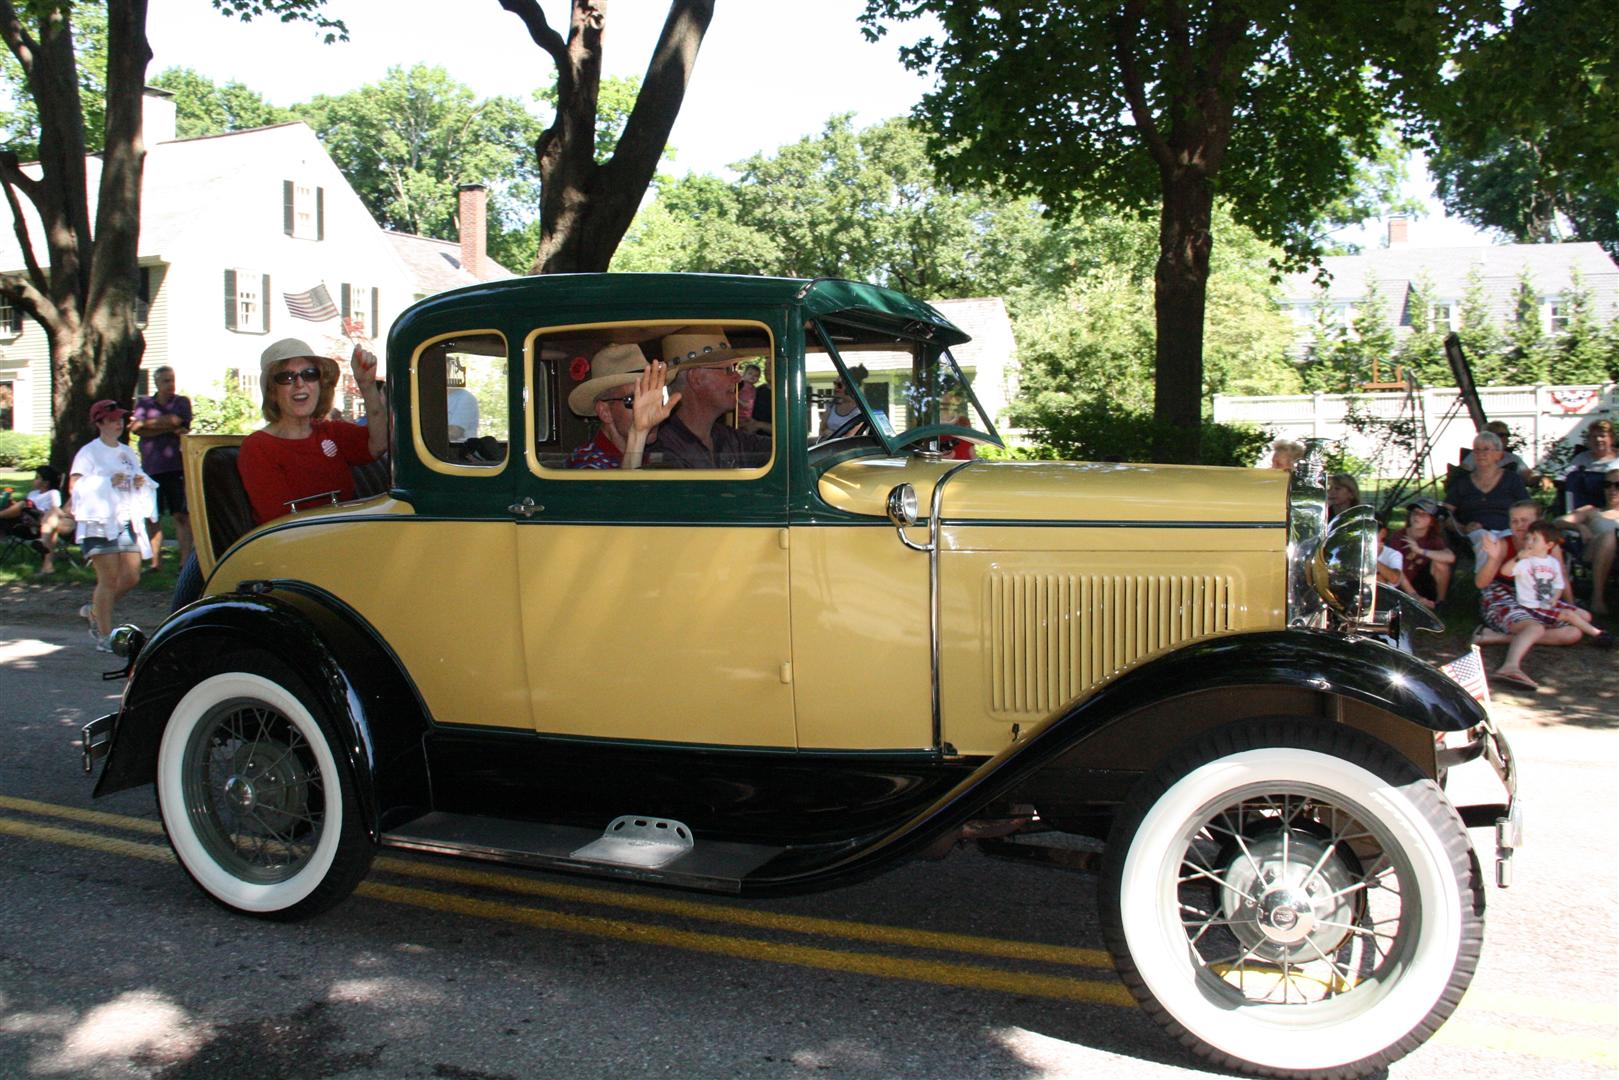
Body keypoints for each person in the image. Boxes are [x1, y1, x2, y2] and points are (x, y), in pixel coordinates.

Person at [237, 338, 388, 526]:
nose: (300, 383)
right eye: (286, 377)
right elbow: (280, 523)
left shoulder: (331, 432)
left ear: (320, 385)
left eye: (309, 374)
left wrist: (367, 385)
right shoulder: (258, 447)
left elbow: (379, 443)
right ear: (272, 392)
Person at [70, 400, 157, 651]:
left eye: (120, 419)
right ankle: (104, 635)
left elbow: (136, 475)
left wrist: (140, 481)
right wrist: (105, 481)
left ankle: (96, 610)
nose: (119, 423)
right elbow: (75, 486)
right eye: (112, 419)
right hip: (100, 521)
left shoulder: (126, 451)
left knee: (131, 576)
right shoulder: (89, 452)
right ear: (99, 422)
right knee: (107, 580)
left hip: (126, 518)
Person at [1471, 500, 1582, 689]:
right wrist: (1493, 558)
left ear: (1539, 521)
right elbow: (1481, 583)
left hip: (1535, 596)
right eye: (1514, 521)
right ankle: (1510, 667)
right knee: (1535, 628)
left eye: (1525, 520)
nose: (1520, 526)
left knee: (1574, 631)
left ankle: (1494, 637)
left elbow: (1560, 574)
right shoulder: (1504, 544)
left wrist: (1571, 604)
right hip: (1503, 593)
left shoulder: (1548, 545)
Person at [655, 331, 772, 469]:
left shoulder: (728, 437)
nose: (738, 378)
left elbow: (787, 449)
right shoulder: (661, 448)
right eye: (729, 369)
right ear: (696, 378)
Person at [565, 344, 676, 469]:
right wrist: (638, 433)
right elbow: (624, 489)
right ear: (605, 411)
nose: (651, 408)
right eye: (635, 399)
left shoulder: (655, 458)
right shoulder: (586, 465)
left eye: (653, 397)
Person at [1504, 521, 1611, 646]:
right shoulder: (1525, 561)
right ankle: (1598, 634)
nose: (1529, 542)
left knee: (1585, 615)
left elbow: (1558, 585)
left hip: (1549, 602)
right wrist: (1517, 558)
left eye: (1535, 539)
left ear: (1548, 545)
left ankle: (1558, 625)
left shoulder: (1553, 562)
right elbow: (1505, 571)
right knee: (1569, 614)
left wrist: (1555, 598)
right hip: (1531, 606)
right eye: (1528, 538)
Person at [130, 365, 193, 572]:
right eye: (166, 380)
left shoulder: (181, 402)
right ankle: (155, 561)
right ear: (156, 383)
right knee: (153, 516)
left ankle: (185, 561)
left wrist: (149, 426)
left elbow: (179, 422)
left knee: (181, 515)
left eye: (172, 380)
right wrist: (169, 427)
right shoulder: (144, 402)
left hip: (177, 467)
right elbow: (136, 428)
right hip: (151, 469)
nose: (170, 384)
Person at [1445, 431, 1529, 551]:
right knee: (1485, 540)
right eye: (1477, 450)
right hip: (1476, 534)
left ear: (1499, 454)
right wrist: (1463, 528)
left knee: (1507, 542)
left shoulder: (1512, 479)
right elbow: (1445, 514)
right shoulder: (1463, 482)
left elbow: (1527, 509)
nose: (1481, 454)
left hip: (1507, 531)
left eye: (1486, 449)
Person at [1556, 461, 1619, 615]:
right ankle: (1597, 599)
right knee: (1610, 536)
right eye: (1607, 485)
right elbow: (1558, 522)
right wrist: (1579, 526)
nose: (1612, 490)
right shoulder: (1591, 510)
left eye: (1618, 485)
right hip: (1596, 550)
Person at [0, 465, 74, 574]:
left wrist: (29, 508)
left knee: (22, 504)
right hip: (22, 520)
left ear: (46, 482)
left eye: (37, 477)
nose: (34, 480)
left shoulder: (53, 493)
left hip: (38, 522)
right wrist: (12, 503)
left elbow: (55, 510)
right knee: (16, 505)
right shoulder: (32, 493)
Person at [1389, 497, 1455, 605]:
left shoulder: (1433, 539)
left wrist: (1420, 550)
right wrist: (1415, 597)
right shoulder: (1399, 536)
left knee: (1441, 564)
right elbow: (1396, 570)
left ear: (1432, 521)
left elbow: (1450, 557)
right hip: (1403, 585)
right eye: (1415, 512)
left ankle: (1440, 603)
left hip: (1424, 583)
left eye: (1423, 514)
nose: (1417, 516)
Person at [1562, 419, 1616, 514]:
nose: (1598, 439)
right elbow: (1564, 477)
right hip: (1585, 509)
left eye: (1602, 436)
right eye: (1594, 436)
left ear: (1612, 439)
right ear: (1589, 440)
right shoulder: (1581, 459)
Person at [1460, 420, 1537, 484]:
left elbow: (1528, 476)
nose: (1506, 438)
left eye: (1507, 435)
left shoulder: (1513, 458)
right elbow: (1461, 476)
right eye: (1501, 435)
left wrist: (1540, 479)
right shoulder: (1476, 456)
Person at [818, 365, 869, 441]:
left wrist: (830, 433)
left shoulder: (860, 410)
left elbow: (849, 439)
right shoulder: (832, 405)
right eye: (835, 383)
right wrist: (828, 433)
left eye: (839, 385)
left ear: (851, 387)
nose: (835, 387)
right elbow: (821, 430)